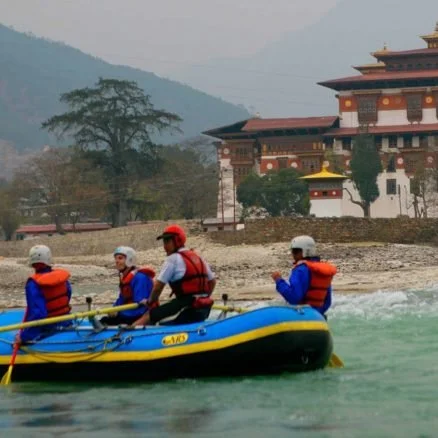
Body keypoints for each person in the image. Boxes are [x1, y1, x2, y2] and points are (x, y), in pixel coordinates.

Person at [132, 224, 216, 326]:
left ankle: (127, 337)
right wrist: (204, 297)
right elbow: (212, 281)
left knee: (148, 316)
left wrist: (149, 302)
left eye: (167, 241)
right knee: (166, 313)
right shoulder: (198, 257)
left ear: (178, 241)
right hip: (204, 307)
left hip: (186, 305)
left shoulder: (172, 259)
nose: (165, 246)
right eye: (164, 242)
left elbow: (158, 287)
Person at [16, 245, 72, 344]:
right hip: (66, 322)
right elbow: (68, 295)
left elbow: (39, 314)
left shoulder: (33, 284)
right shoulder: (61, 278)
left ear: (32, 264)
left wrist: (24, 337)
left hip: (48, 328)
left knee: (25, 337)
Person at [271, 235, 336, 318]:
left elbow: (294, 298)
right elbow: (327, 302)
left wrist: (279, 281)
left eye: (295, 251)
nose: (293, 254)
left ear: (305, 251)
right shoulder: (321, 270)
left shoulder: (300, 270)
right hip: (318, 318)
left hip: (302, 317)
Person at [100, 246, 155, 326]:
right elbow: (122, 299)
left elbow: (140, 306)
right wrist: (113, 309)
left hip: (139, 316)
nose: (116, 261)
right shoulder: (126, 278)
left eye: (120, 258)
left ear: (130, 260)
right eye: (116, 258)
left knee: (105, 322)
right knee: (104, 320)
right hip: (130, 313)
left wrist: (120, 312)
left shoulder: (140, 278)